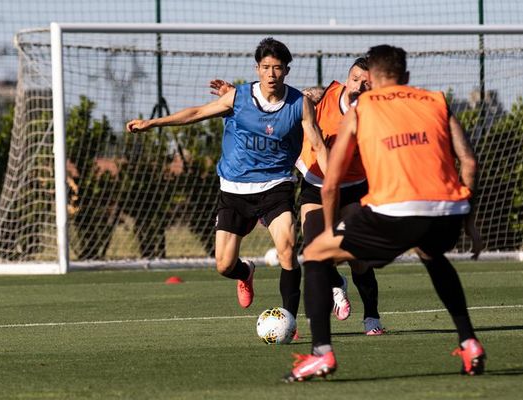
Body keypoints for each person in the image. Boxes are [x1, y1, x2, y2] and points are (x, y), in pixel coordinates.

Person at [285, 44, 485, 382]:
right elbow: (468, 161)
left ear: (371, 80)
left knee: (315, 254)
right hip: (447, 212)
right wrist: (470, 223)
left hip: (394, 212)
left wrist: (332, 229)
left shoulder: (361, 110)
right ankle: (469, 342)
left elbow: (331, 181)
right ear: (406, 77)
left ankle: (321, 354)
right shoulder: (436, 100)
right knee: (431, 252)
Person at [127, 38, 328, 326]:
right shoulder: (238, 98)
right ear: (257, 68)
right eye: (266, 67)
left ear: (286, 70)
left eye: (277, 68)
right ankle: (245, 273)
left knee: (287, 248)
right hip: (234, 189)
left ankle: (289, 319)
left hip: (276, 185)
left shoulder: (300, 104)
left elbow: (319, 145)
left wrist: (332, 178)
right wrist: (152, 123)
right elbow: (196, 113)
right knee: (223, 265)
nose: (271, 74)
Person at [211, 58, 385, 335]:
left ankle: (372, 318)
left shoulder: (378, 114)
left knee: (356, 255)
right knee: (314, 251)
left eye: (367, 83)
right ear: (348, 77)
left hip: (353, 187)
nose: (359, 86)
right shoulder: (323, 95)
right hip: (316, 183)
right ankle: (336, 284)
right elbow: (281, 102)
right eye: (355, 79)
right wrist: (238, 97)